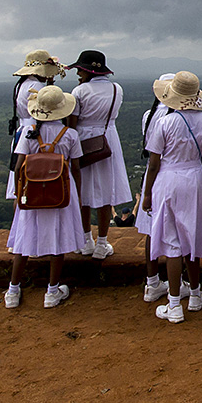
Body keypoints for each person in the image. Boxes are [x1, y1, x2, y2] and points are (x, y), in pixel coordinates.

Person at [141, 71, 202, 323]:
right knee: (193, 238)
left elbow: (153, 163)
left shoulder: (164, 123)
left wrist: (147, 194)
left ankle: (174, 305)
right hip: (195, 178)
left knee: (172, 242)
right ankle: (195, 293)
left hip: (168, 179)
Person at [4, 85, 85, 309]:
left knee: (23, 240)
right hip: (60, 191)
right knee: (58, 240)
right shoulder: (70, 134)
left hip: (32, 192)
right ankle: (52, 290)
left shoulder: (29, 131)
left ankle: (13, 290)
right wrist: (77, 190)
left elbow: (19, 165)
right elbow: (76, 167)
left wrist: (21, 191)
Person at [66, 50, 132, 260]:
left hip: (83, 139)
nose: (78, 74)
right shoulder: (116, 89)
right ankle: (102, 243)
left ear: (87, 71)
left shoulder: (79, 91)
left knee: (82, 190)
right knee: (106, 192)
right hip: (107, 138)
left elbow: (72, 123)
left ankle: (86, 240)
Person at [6, 50, 66, 201]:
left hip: (23, 130)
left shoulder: (21, 85)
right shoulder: (36, 86)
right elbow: (46, 108)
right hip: (36, 131)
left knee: (20, 179)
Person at [136, 73, 175, 303]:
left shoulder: (148, 116)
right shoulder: (180, 116)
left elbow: (152, 158)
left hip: (153, 176)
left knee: (152, 229)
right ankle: (182, 283)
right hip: (176, 174)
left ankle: (152, 282)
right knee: (179, 230)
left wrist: (147, 191)